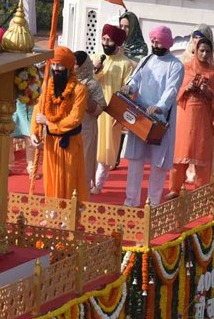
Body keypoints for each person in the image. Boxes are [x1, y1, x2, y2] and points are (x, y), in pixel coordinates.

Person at [118, 22, 181, 207]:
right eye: (153, 41)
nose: (155, 45)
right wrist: (129, 87)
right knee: (136, 160)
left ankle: (153, 205)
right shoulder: (147, 59)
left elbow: (171, 90)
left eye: (158, 42)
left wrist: (160, 107)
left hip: (160, 119)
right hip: (140, 116)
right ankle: (131, 202)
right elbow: (135, 79)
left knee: (158, 164)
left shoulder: (175, 65)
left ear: (167, 43)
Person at [167, 25, 214, 198]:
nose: (205, 54)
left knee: (202, 156)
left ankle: (200, 193)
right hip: (185, 116)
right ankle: (174, 189)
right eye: (201, 51)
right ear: (195, 50)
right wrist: (188, 88)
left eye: (208, 51)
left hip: (203, 118)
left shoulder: (213, 73)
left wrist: (207, 92)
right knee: (181, 153)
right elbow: (176, 93)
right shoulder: (185, 68)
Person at [32, 44, 90, 203]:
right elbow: (39, 108)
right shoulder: (47, 84)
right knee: (51, 175)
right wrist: (34, 132)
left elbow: (75, 119)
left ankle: (68, 215)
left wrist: (49, 124)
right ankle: (52, 211)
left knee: (69, 178)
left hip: (70, 143)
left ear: (69, 67)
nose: (56, 69)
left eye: (60, 65)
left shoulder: (79, 89)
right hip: (51, 142)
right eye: (54, 65)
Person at [93, 25, 136, 192]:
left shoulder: (125, 64)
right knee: (91, 145)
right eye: (103, 39)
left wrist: (120, 115)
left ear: (117, 43)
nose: (105, 42)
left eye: (108, 40)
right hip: (93, 109)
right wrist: (95, 68)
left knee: (106, 149)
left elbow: (128, 90)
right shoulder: (97, 57)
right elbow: (88, 79)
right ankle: (88, 181)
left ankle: (98, 184)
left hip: (111, 113)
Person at [72, 50, 105, 194]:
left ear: (83, 66)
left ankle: (81, 202)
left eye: (75, 64)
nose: (72, 67)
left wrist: (82, 96)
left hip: (85, 129)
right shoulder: (67, 80)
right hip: (67, 128)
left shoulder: (92, 84)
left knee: (83, 165)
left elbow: (100, 108)